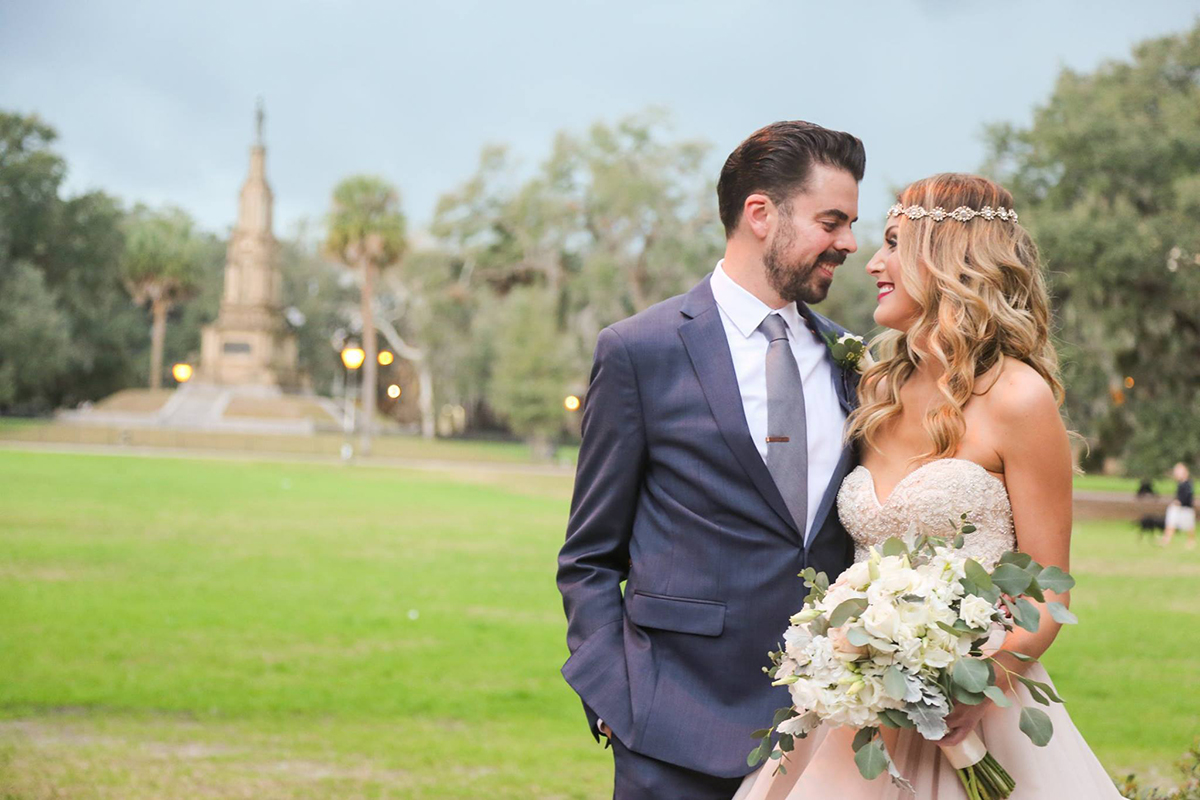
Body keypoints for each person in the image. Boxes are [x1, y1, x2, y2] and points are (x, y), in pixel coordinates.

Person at [738, 174, 1120, 799]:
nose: (873, 263)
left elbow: (1050, 594)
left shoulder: (1018, 398)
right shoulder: (874, 388)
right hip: (855, 712)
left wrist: (976, 684)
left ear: (947, 260)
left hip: (975, 711)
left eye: (893, 243)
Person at [557, 120, 866, 798]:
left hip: (829, 740)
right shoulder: (640, 351)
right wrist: (614, 692)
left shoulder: (855, 361)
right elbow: (588, 556)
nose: (849, 243)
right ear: (761, 213)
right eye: (832, 220)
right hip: (671, 731)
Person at [1161, 462, 1196, 548]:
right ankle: (1166, 539)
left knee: (1189, 526)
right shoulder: (1180, 484)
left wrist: (1180, 501)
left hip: (1186, 508)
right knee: (1171, 522)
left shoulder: (1188, 484)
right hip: (1178, 508)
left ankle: (1191, 541)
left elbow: (1188, 496)